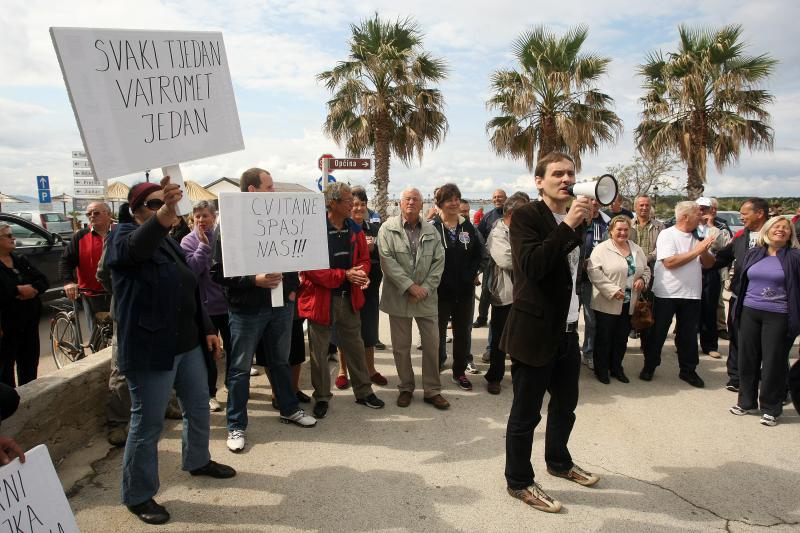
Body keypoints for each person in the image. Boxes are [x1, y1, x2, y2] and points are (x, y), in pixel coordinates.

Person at [105, 179, 235, 525]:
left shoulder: (168, 242)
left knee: (199, 406)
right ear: (135, 210)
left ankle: (197, 460)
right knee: (148, 424)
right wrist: (165, 212)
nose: (163, 208)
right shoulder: (121, 237)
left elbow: (188, 288)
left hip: (187, 343)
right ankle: (138, 494)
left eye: (164, 203)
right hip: (151, 349)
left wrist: (207, 329)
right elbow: (135, 249)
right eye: (153, 204)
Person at [502, 152, 598, 513]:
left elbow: (569, 269)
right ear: (539, 181)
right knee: (526, 413)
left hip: (568, 329)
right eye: (557, 173)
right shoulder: (526, 216)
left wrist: (574, 223)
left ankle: (558, 461)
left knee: (565, 405)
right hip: (534, 330)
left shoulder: (576, 217)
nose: (566, 179)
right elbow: (532, 266)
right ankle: (519, 481)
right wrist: (568, 226)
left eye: (570, 173)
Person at [211, 168, 316, 453]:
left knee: (280, 361)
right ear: (252, 190)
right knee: (240, 368)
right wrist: (253, 280)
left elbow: (295, 256)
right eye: (269, 187)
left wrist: (292, 288)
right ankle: (236, 425)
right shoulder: (228, 224)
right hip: (246, 310)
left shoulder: (280, 218)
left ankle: (288, 408)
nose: (274, 192)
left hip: (280, 307)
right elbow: (217, 272)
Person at [298, 182, 385, 419]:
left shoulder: (355, 229)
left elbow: (365, 259)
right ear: (333, 203)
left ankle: (364, 392)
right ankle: (322, 397)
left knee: (355, 346)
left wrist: (360, 273)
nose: (352, 205)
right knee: (319, 352)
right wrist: (345, 275)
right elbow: (311, 269)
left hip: (349, 299)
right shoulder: (314, 229)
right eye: (348, 201)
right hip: (321, 301)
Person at [378, 187, 448, 409]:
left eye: (415, 199)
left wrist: (424, 289)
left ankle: (432, 390)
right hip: (399, 298)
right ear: (400, 203)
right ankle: (406, 387)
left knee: (432, 345)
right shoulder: (387, 228)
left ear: (422, 204)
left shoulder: (432, 231)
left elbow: (439, 262)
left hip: (426, 298)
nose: (411, 202)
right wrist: (409, 287)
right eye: (407, 199)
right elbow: (387, 261)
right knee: (401, 347)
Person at [729, 216, 800, 427]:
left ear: (790, 234)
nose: (780, 230)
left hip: (779, 315)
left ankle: (771, 408)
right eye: (776, 226)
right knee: (747, 359)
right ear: (767, 230)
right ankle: (746, 402)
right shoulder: (754, 253)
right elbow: (741, 280)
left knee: (773, 362)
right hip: (749, 312)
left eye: (785, 228)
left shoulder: (794, 257)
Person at [642, 201, 716, 387]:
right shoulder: (667, 234)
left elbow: (709, 264)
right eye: (698, 213)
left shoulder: (700, 236)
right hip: (666, 293)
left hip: (692, 294)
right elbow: (670, 262)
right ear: (685, 217)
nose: (702, 217)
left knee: (688, 336)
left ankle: (688, 370)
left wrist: (704, 251)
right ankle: (650, 365)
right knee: (658, 333)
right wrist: (697, 250)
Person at [713, 198, 769, 392]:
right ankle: (736, 378)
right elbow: (721, 259)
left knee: (769, 345)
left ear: (759, 213)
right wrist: (701, 259)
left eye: (745, 213)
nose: (741, 217)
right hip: (740, 298)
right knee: (737, 340)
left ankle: (776, 384)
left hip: (767, 301)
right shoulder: (740, 236)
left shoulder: (777, 236)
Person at [431, 184, 483, 391]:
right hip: (439, 292)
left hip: (464, 292)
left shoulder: (468, 227)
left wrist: (471, 274)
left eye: (456, 199)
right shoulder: (432, 227)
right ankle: (434, 370)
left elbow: (479, 254)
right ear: (440, 203)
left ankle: (459, 372)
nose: (454, 203)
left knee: (463, 334)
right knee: (436, 333)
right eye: (449, 199)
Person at [587, 216, 651, 383]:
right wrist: (612, 290)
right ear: (611, 231)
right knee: (604, 338)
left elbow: (646, 269)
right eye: (619, 230)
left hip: (629, 303)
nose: (623, 233)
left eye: (626, 230)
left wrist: (642, 280)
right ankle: (601, 370)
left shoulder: (636, 249)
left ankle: (616, 368)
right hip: (607, 302)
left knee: (621, 338)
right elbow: (593, 272)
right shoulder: (601, 249)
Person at [335, 186, 388, 388]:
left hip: (370, 289)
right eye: (355, 204)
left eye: (363, 204)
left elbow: (386, 256)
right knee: (343, 333)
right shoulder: (341, 228)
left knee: (369, 331)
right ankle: (342, 370)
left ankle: (370, 369)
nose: (358, 208)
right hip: (345, 288)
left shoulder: (375, 229)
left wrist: (374, 248)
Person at [180, 201, 230, 413]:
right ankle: (210, 393)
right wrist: (202, 247)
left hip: (227, 306)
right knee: (209, 355)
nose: (201, 220)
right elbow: (191, 271)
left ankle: (232, 385)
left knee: (233, 349)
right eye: (198, 216)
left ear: (214, 217)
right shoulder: (187, 241)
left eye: (205, 216)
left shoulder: (224, 237)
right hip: (205, 309)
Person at [484, 191, 529, 394]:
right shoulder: (498, 233)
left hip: (525, 294)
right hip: (504, 295)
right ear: (510, 214)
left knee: (522, 338)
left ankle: (520, 376)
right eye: (523, 213)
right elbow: (506, 260)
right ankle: (494, 377)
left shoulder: (525, 231)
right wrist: (530, 258)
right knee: (500, 340)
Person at [0, 223, 48, 387]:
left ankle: (29, 397)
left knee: (29, 366)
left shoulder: (19, 259)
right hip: (6, 327)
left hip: (29, 324)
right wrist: (16, 290)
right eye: (8, 235)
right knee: (5, 370)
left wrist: (33, 289)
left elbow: (43, 281)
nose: (13, 238)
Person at [59, 201, 113, 332]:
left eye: (96, 213)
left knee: (120, 331)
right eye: (89, 214)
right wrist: (68, 282)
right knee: (97, 333)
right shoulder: (80, 236)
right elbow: (66, 261)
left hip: (117, 291)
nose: (92, 216)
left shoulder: (120, 232)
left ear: (109, 214)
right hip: (91, 293)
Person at [696, 197, 732, 359]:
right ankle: (686, 343)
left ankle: (710, 345)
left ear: (711, 211)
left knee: (710, 309)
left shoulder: (720, 227)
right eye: (699, 208)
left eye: (705, 209)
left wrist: (711, 226)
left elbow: (723, 247)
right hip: (693, 270)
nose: (702, 212)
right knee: (691, 310)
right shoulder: (690, 226)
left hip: (711, 270)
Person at [578, 199, 610, 370]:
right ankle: (569, 351)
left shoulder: (606, 223)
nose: (593, 203)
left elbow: (608, 249)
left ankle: (588, 353)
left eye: (597, 200)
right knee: (569, 318)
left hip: (593, 279)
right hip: (574, 279)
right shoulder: (575, 220)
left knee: (591, 320)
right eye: (590, 199)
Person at [630, 195, 664, 348]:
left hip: (652, 270)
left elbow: (661, 247)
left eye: (647, 205)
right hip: (631, 269)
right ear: (635, 207)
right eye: (641, 205)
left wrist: (647, 258)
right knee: (631, 305)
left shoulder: (660, 227)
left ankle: (646, 342)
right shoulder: (629, 225)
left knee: (647, 306)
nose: (644, 208)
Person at [474, 189, 508, 329]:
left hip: (507, 261)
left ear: (506, 198)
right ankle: (482, 318)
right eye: (494, 197)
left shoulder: (511, 215)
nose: (497, 199)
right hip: (490, 261)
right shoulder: (487, 217)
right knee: (486, 290)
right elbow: (479, 239)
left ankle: (501, 319)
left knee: (505, 292)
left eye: (500, 197)